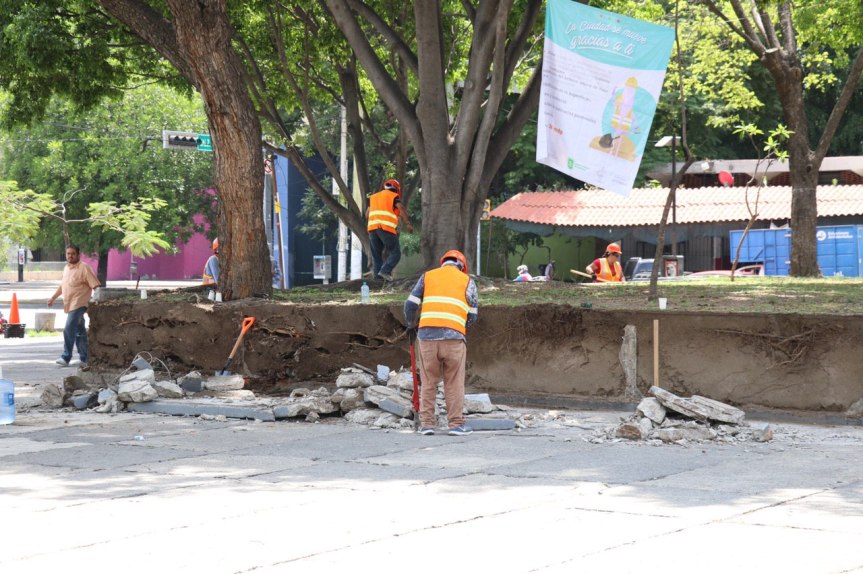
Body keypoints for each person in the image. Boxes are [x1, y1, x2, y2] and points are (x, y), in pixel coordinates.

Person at [404, 250, 478, 436]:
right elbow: (473, 316)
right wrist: (459, 327)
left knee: (429, 382)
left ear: (443, 263)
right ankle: (455, 425)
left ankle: (427, 425)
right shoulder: (467, 281)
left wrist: (411, 323)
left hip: (427, 337)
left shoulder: (428, 276)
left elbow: (410, 304)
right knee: (454, 383)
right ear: (462, 267)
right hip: (454, 339)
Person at [48, 245, 101, 368]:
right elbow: (63, 286)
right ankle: (85, 358)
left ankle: (66, 356)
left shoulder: (84, 268)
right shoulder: (67, 268)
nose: (70, 256)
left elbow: (95, 285)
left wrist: (96, 300)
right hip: (70, 303)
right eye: (68, 254)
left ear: (78, 255)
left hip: (80, 303)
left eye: (72, 254)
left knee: (69, 328)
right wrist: (53, 298)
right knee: (80, 331)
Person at [367, 179, 413, 281]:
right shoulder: (393, 196)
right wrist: (408, 224)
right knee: (396, 253)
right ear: (396, 189)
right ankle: (385, 270)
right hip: (385, 228)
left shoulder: (374, 197)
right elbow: (401, 208)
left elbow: (367, 214)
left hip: (372, 229)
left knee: (376, 255)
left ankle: (378, 280)